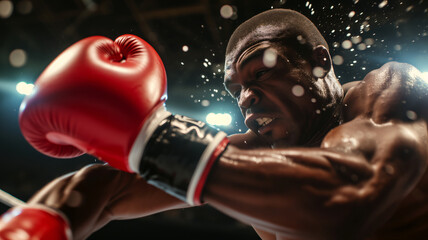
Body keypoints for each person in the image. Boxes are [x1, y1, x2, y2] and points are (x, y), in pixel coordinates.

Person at [1, 8, 427, 240]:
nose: (245, 97)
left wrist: (157, 142)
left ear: (319, 62)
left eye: (259, 72)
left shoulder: (387, 92)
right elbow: (107, 187)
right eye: (235, 89)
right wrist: (44, 219)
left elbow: (354, 196)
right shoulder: (252, 153)